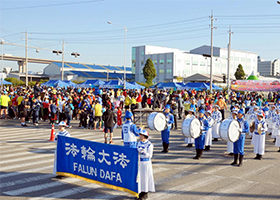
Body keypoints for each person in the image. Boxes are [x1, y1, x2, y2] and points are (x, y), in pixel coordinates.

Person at [136, 129, 155, 200]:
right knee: (139, 178)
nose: (140, 137)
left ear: (145, 136)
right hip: (139, 163)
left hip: (146, 164)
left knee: (145, 178)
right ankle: (139, 192)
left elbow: (150, 155)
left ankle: (145, 193)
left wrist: (143, 152)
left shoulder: (149, 145)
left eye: (141, 136)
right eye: (139, 135)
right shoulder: (138, 143)